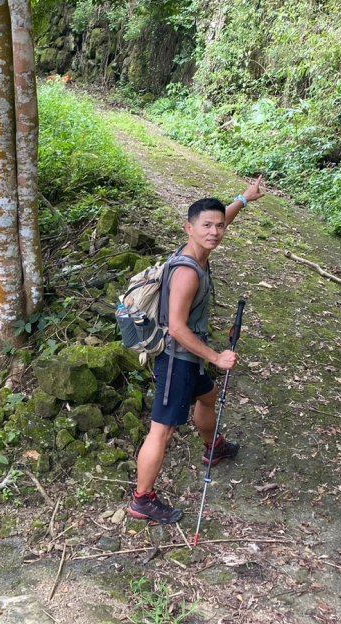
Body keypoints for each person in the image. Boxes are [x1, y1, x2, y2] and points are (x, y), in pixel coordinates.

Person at [129, 177, 266, 524]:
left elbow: (221, 217)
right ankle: (142, 499)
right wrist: (215, 356)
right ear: (189, 228)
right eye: (207, 226)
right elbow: (176, 328)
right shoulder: (188, 273)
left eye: (219, 226)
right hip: (177, 360)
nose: (215, 232)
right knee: (162, 430)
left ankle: (213, 447)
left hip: (190, 359)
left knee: (208, 397)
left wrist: (244, 199)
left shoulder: (198, 248)